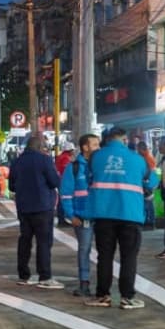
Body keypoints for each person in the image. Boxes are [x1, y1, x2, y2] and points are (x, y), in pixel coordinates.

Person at [86, 127, 156, 310]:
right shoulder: (137, 159)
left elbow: (88, 178)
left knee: (105, 257)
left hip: (103, 214)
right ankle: (127, 297)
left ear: (107, 140)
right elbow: (153, 179)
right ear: (125, 140)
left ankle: (103, 295)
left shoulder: (96, 157)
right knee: (129, 257)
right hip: (130, 215)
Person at [9, 134, 63, 290]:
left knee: (25, 240)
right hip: (42, 207)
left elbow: (11, 186)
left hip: (23, 207)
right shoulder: (45, 160)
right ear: (40, 147)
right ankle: (44, 276)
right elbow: (54, 182)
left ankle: (23, 275)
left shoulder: (17, 162)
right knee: (44, 242)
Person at [60, 133, 99, 297]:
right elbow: (66, 194)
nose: (99, 147)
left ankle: (103, 286)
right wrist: (71, 215)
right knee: (84, 249)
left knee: (105, 250)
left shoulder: (101, 165)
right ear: (85, 147)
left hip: (102, 215)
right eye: (95, 144)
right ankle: (84, 283)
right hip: (82, 217)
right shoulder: (74, 167)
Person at [133, 135, 158, 229]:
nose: (137, 151)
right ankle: (149, 221)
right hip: (149, 183)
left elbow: (148, 172)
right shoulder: (147, 157)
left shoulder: (146, 158)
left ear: (141, 149)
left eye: (138, 149)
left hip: (147, 183)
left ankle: (149, 222)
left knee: (147, 203)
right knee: (148, 202)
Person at [55, 142, 76, 226]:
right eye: (73, 150)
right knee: (63, 199)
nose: (74, 152)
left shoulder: (61, 156)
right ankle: (61, 220)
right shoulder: (66, 158)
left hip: (60, 180)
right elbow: (66, 172)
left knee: (62, 199)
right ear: (70, 150)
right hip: (63, 181)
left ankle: (62, 219)